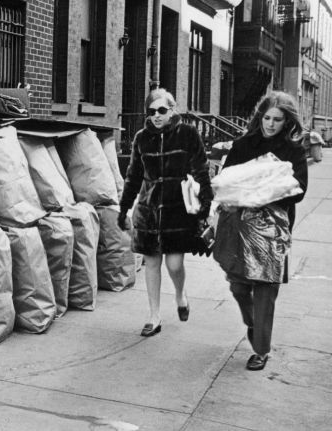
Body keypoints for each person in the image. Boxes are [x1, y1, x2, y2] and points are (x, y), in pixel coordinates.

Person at [219, 91, 308, 371]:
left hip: (274, 229)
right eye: (267, 118)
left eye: (277, 119)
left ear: (287, 121)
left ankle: (261, 348)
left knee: (266, 289)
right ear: (260, 116)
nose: (270, 124)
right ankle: (254, 325)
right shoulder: (244, 144)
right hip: (240, 224)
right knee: (238, 285)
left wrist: (262, 190)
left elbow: (299, 190)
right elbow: (227, 180)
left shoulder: (294, 150)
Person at [118, 88, 213, 337]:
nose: (157, 116)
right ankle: (154, 316)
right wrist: (124, 207)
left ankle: (180, 295)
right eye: (152, 112)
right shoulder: (141, 138)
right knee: (151, 263)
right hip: (148, 211)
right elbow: (133, 176)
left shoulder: (188, 134)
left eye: (162, 110)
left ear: (172, 109)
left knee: (174, 263)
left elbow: (202, 170)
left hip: (177, 211)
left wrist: (205, 203)